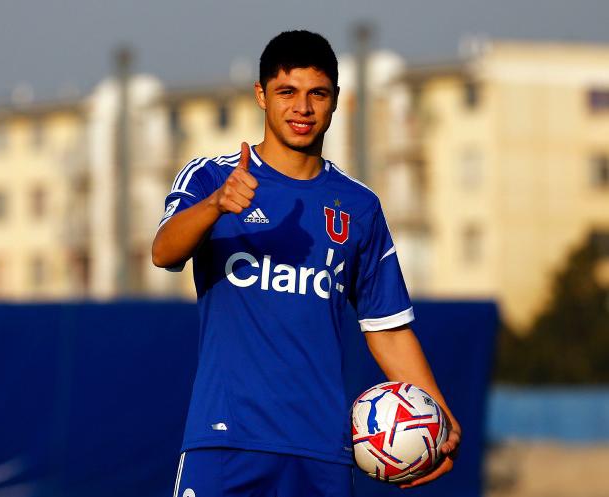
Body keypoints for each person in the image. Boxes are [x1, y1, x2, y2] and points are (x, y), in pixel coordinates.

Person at [152, 30, 461, 497]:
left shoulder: (359, 206)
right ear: (261, 95)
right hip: (226, 441)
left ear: (336, 100)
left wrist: (439, 419)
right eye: (287, 92)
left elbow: (388, 329)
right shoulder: (213, 177)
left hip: (322, 452)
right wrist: (216, 205)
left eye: (317, 94)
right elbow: (164, 252)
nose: (303, 108)